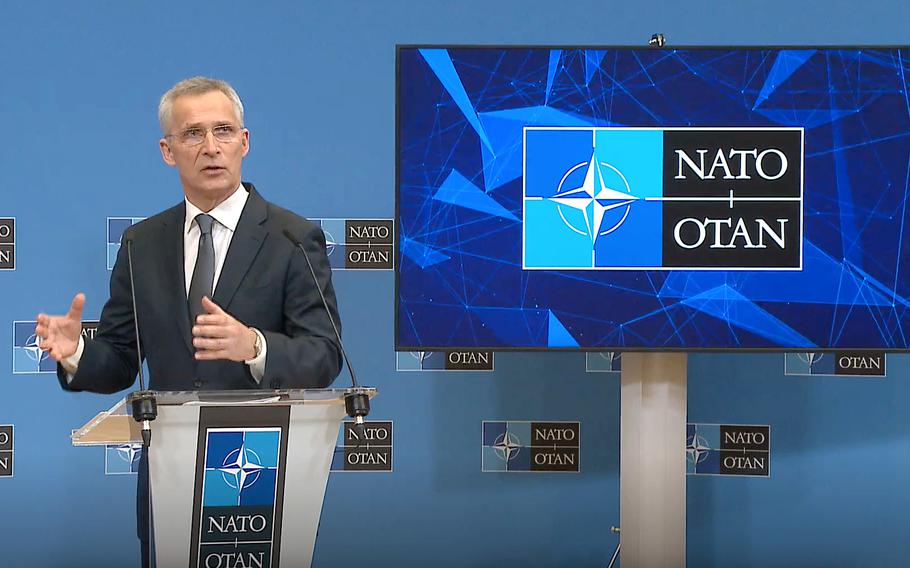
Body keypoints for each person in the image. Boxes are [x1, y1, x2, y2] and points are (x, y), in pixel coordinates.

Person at [34, 77, 343, 567]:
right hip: (169, 478)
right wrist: (75, 352)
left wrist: (255, 347)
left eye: (223, 130)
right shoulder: (142, 244)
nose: (211, 146)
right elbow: (119, 360)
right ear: (167, 151)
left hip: (259, 471)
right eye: (193, 134)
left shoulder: (292, 238)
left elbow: (325, 355)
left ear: (245, 142)